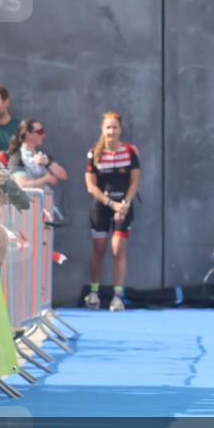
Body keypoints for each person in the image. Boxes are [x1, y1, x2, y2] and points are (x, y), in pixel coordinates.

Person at [84, 111, 140, 312]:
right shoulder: (94, 153)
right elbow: (91, 186)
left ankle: (117, 296)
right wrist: (110, 204)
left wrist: (124, 203)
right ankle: (94, 292)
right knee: (99, 250)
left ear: (120, 129)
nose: (111, 131)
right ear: (102, 129)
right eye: (108, 127)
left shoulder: (131, 151)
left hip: (123, 206)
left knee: (117, 248)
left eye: (115, 127)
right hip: (102, 207)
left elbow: (134, 182)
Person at [7, 118, 68, 188]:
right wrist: (45, 179)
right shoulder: (17, 157)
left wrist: (47, 163)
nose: (43, 135)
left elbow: (63, 176)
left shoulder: (42, 156)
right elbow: (21, 185)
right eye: (40, 132)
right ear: (28, 134)